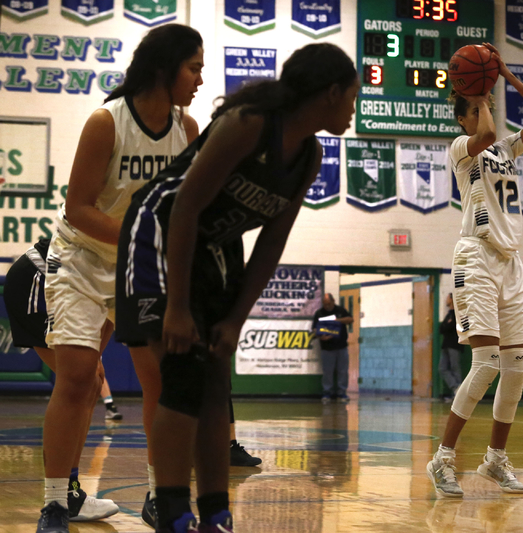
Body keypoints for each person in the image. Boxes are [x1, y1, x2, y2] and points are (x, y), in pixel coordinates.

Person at [114, 43, 358, 533]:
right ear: (331, 92)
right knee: (183, 376)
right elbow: (183, 208)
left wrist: (235, 319)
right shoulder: (249, 123)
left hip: (216, 246)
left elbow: (271, 243)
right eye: (352, 97)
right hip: (160, 230)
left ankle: (217, 514)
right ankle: (173, 513)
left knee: (217, 377)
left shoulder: (308, 154)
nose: (353, 110)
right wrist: (178, 307)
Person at [37, 24, 203, 533]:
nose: (200, 79)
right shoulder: (106, 122)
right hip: (82, 259)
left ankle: (159, 495)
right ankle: (54, 502)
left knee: (157, 379)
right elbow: (78, 208)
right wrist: (142, 237)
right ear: (164, 68)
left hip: (138, 266)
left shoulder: (187, 130)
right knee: (79, 378)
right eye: (193, 68)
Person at [426, 42, 523, 498]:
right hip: (475, 257)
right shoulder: (463, 146)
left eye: (488, 105)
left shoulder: (506, 149)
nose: (487, 111)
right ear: (463, 115)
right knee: (485, 364)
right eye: (479, 107)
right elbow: (485, 134)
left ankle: (495, 461)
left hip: (510, 262)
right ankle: (442, 459)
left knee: (516, 368)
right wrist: (481, 93)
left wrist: (509, 76)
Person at [4, 238, 120, 523]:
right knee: (82, 380)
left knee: (92, 380)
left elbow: (109, 316)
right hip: (39, 277)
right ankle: (60, 495)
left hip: (67, 282)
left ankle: (70, 493)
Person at [312, 293, 354, 403]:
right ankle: (327, 393)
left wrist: (337, 321)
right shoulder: (320, 313)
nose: (327, 306)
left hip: (341, 347)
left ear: (333, 301)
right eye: (325, 304)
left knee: (343, 371)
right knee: (327, 372)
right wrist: (320, 336)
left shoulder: (340, 311)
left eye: (329, 304)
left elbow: (350, 319)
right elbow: (315, 329)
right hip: (327, 348)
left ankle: (342, 393)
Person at [439, 293, 464, 397]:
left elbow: (450, 327)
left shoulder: (458, 314)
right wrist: (447, 325)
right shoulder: (449, 314)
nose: (446, 300)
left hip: (455, 345)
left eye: (447, 298)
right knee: (442, 368)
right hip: (446, 345)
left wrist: (447, 325)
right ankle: (456, 387)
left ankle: (460, 394)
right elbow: (442, 328)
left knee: (455, 367)